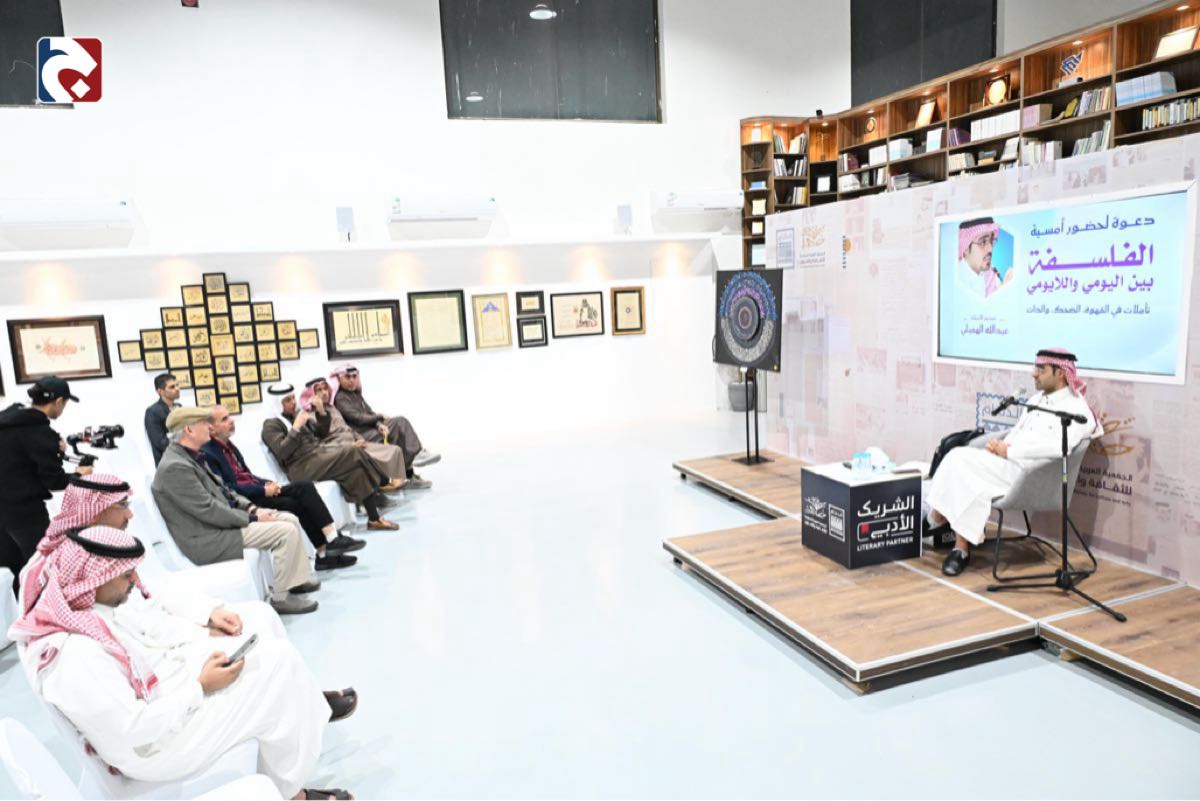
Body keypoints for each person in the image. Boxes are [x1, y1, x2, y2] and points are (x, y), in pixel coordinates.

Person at [8, 520, 356, 800]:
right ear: (93, 578)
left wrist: (197, 665)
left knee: (269, 659)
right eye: (126, 574)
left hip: (163, 714)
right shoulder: (75, 654)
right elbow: (134, 728)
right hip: (156, 751)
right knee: (278, 665)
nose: (135, 581)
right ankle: (292, 793)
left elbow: (145, 650)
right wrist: (199, 687)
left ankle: (290, 775)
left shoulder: (88, 612)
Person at [927, 348, 1098, 576]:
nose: (1033, 373)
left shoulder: (1076, 409)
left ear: (1060, 373)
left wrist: (1010, 451)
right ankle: (956, 541)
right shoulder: (1037, 400)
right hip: (1007, 464)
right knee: (957, 456)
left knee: (960, 463)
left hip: (1029, 477)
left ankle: (941, 523)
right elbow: (1018, 431)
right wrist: (1000, 446)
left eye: (1041, 369)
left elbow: (1061, 448)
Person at [152, 407, 321, 615]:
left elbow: (225, 491)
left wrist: (252, 508)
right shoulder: (175, 467)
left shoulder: (191, 456)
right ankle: (280, 599)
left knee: (289, 519)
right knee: (285, 531)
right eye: (204, 422)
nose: (209, 426)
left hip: (219, 526)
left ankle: (294, 581)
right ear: (189, 429)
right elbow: (209, 510)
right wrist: (253, 518)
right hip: (208, 538)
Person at [202, 404, 364, 571]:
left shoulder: (229, 446)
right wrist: (263, 490)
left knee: (302, 491)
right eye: (224, 419)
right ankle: (330, 540)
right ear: (211, 428)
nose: (231, 421)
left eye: (229, 416)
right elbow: (228, 488)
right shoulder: (208, 453)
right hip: (246, 501)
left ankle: (325, 551)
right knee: (298, 496)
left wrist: (267, 483)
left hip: (257, 491)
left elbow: (247, 476)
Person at [261, 385, 400, 531]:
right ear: (277, 404)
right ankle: (384, 481)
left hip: (318, 455)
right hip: (301, 467)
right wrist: (295, 428)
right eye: (287, 400)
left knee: (355, 470)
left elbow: (321, 433)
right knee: (353, 450)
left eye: (293, 398)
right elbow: (282, 452)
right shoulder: (270, 425)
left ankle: (374, 519)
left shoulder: (297, 415)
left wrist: (321, 412)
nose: (293, 402)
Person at [0, 376, 91, 595]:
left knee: (13, 570)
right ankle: (44, 612)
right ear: (58, 401)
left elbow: (18, 458)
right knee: (42, 568)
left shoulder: (6, 421)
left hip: (3, 510)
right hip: (26, 512)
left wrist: (54, 450)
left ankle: (19, 613)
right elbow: (54, 480)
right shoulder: (39, 432)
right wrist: (79, 474)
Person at [330, 364, 439, 487]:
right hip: (360, 435)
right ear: (338, 379)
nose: (351, 380)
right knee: (399, 423)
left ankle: (410, 473)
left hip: (371, 430)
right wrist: (380, 417)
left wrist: (379, 425)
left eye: (354, 376)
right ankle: (416, 455)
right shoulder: (340, 398)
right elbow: (358, 418)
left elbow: (369, 413)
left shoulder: (356, 394)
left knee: (399, 431)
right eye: (347, 377)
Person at [301, 377, 417, 488]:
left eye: (325, 389)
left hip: (356, 442)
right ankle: (387, 487)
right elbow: (321, 444)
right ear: (311, 395)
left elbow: (347, 427)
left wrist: (359, 437)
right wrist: (350, 446)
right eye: (319, 390)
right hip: (343, 450)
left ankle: (401, 481)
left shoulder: (332, 408)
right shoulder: (309, 416)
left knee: (395, 450)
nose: (324, 393)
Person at [957, 217, 1013, 299]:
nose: (990, 249)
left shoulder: (991, 276)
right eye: (983, 242)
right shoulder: (955, 278)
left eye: (991, 241)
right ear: (965, 248)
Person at [144, 373, 180, 466]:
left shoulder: (179, 407)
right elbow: (160, 442)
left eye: (177, 385)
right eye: (172, 387)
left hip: (184, 458)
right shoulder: (152, 411)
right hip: (167, 463)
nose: (177, 389)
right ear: (160, 391)